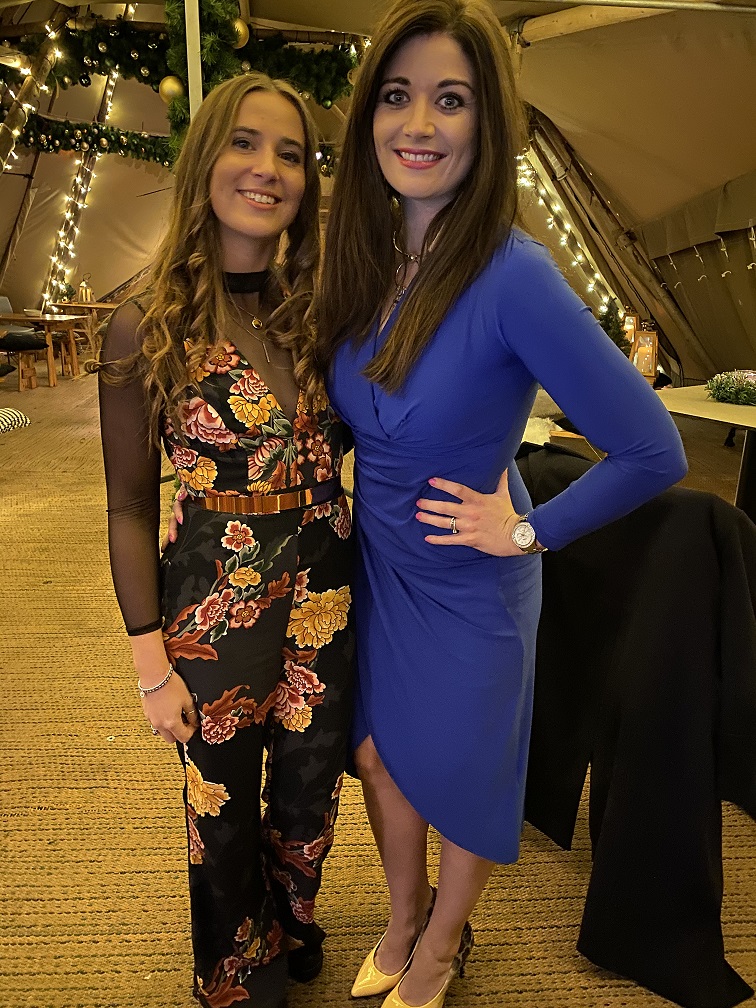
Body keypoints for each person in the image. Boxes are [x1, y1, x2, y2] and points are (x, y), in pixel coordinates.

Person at [314, 2, 688, 1007]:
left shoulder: (516, 273)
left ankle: (441, 945)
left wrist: (525, 528)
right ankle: (402, 918)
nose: (419, 126)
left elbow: (655, 448)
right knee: (379, 755)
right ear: (368, 119)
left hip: (474, 577)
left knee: (468, 775)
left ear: (486, 124)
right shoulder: (362, 248)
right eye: (398, 98)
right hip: (384, 566)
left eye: (451, 100)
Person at [95, 73, 353, 1008]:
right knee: (222, 801)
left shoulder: (319, 309)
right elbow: (127, 506)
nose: (267, 169)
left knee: (309, 787)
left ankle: (290, 921)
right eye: (245, 143)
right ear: (206, 158)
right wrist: (148, 663)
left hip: (327, 588)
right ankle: (236, 967)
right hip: (212, 605)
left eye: (290, 153)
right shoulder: (144, 320)